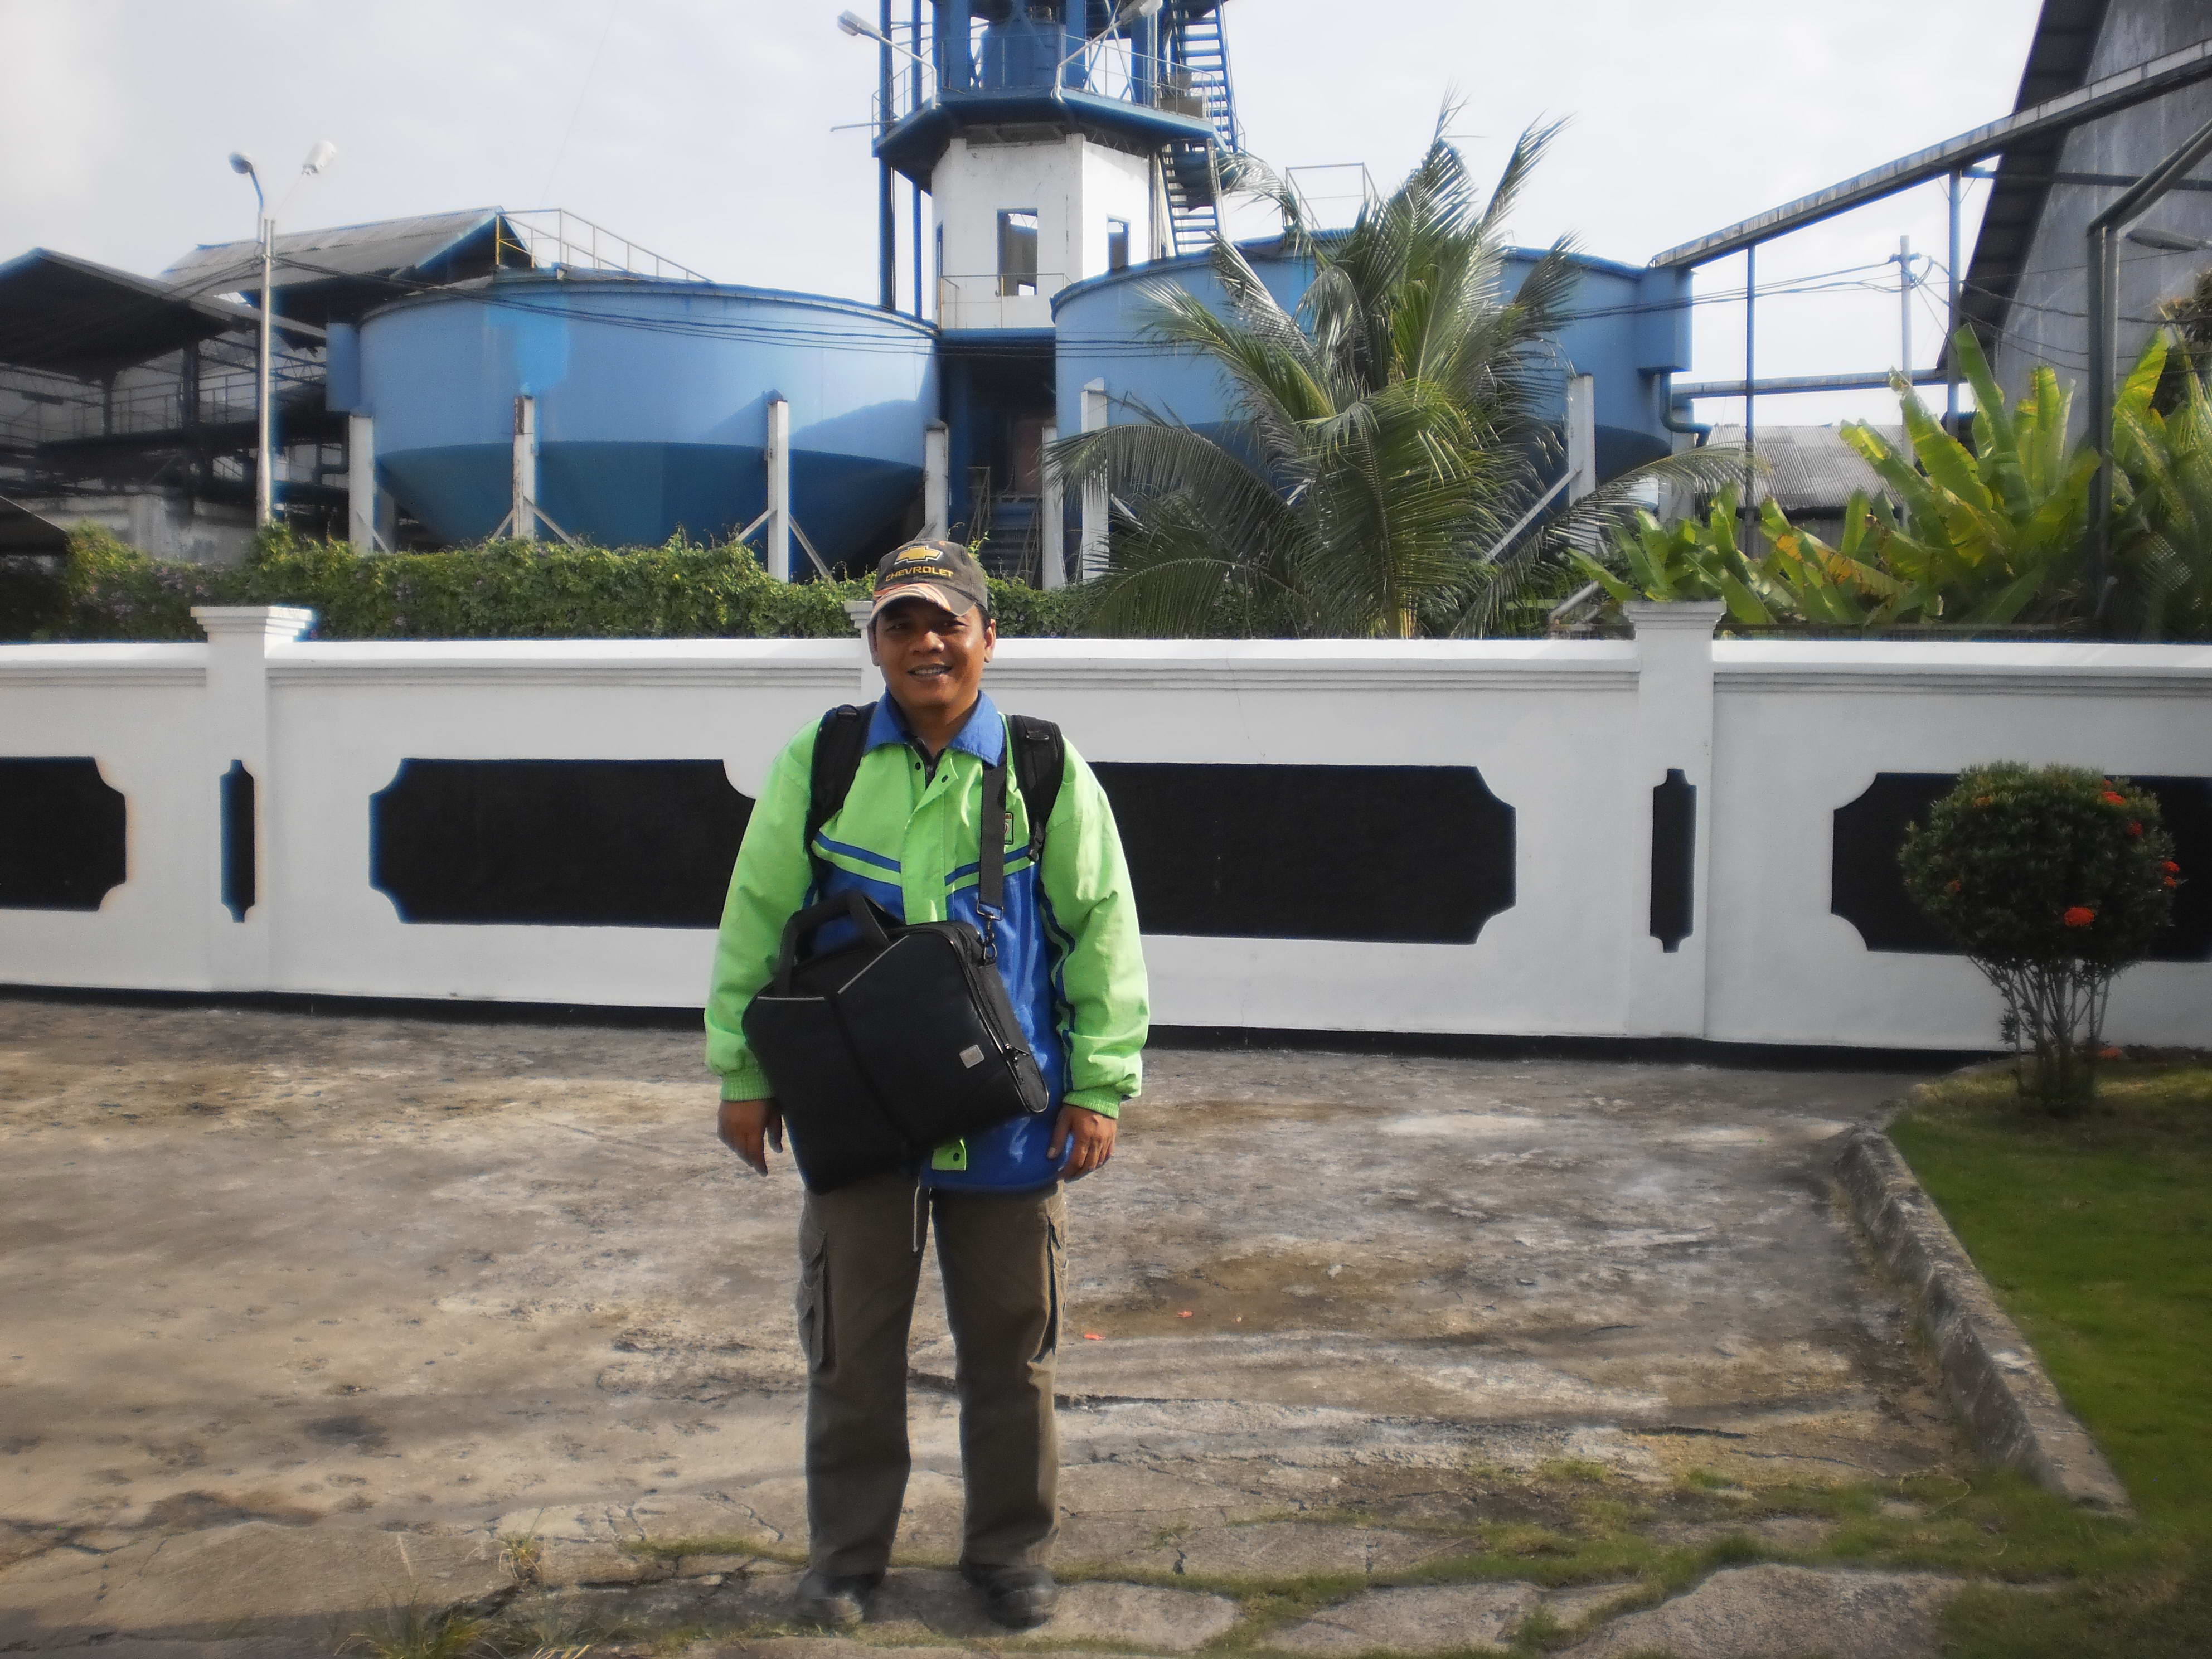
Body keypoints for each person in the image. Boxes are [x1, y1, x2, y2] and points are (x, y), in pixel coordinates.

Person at [705, 539, 1148, 1632]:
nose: (927, 644)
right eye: (902, 625)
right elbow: (755, 921)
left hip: (1004, 1122)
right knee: (854, 1354)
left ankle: (1007, 1556)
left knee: (1011, 1355)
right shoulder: (826, 759)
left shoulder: (1043, 766)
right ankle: (846, 1561)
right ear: (876, 645)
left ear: (988, 637)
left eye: (948, 622)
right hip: (857, 1122)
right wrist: (743, 1071)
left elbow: (1103, 934)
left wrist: (1100, 1087)